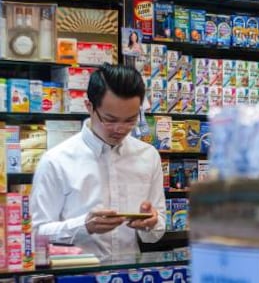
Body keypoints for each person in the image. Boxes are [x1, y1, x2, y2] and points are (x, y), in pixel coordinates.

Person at [30, 63, 166, 259]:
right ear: (89, 107)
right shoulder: (56, 160)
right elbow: (35, 232)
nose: (120, 128)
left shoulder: (148, 155)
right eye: (110, 119)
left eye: (130, 120)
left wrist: (152, 223)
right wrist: (84, 226)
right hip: (77, 277)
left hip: (130, 275)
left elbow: (155, 234)